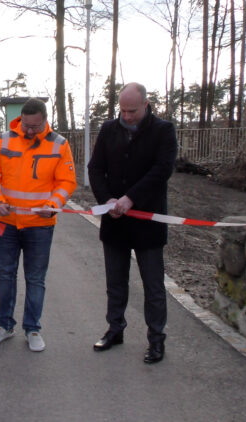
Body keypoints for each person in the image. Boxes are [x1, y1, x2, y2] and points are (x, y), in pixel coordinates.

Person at [87, 82, 177, 364]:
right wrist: (108, 200)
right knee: (115, 282)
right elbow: (95, 168)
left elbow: (162, 170)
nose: (126, 116)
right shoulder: (108, 130)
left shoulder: (163, 131)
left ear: (146, 105)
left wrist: (130, 199)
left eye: (132, 111)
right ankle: (115, 329)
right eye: (122, 111)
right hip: (115, 222)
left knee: (153, 286)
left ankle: (156, 339)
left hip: (147, 223)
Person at [0, 98, 77, 352]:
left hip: (40, 224)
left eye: (35, 126)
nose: (30, 131)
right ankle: (4, 326)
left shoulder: (59, 144)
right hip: (6, 222)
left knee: (35, 279)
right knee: (5, 274)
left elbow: (66, 181)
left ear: (46, 120)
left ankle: (33, 328)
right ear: (20, 119)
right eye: (26, 125)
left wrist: (54, 203)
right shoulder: (4, 140)